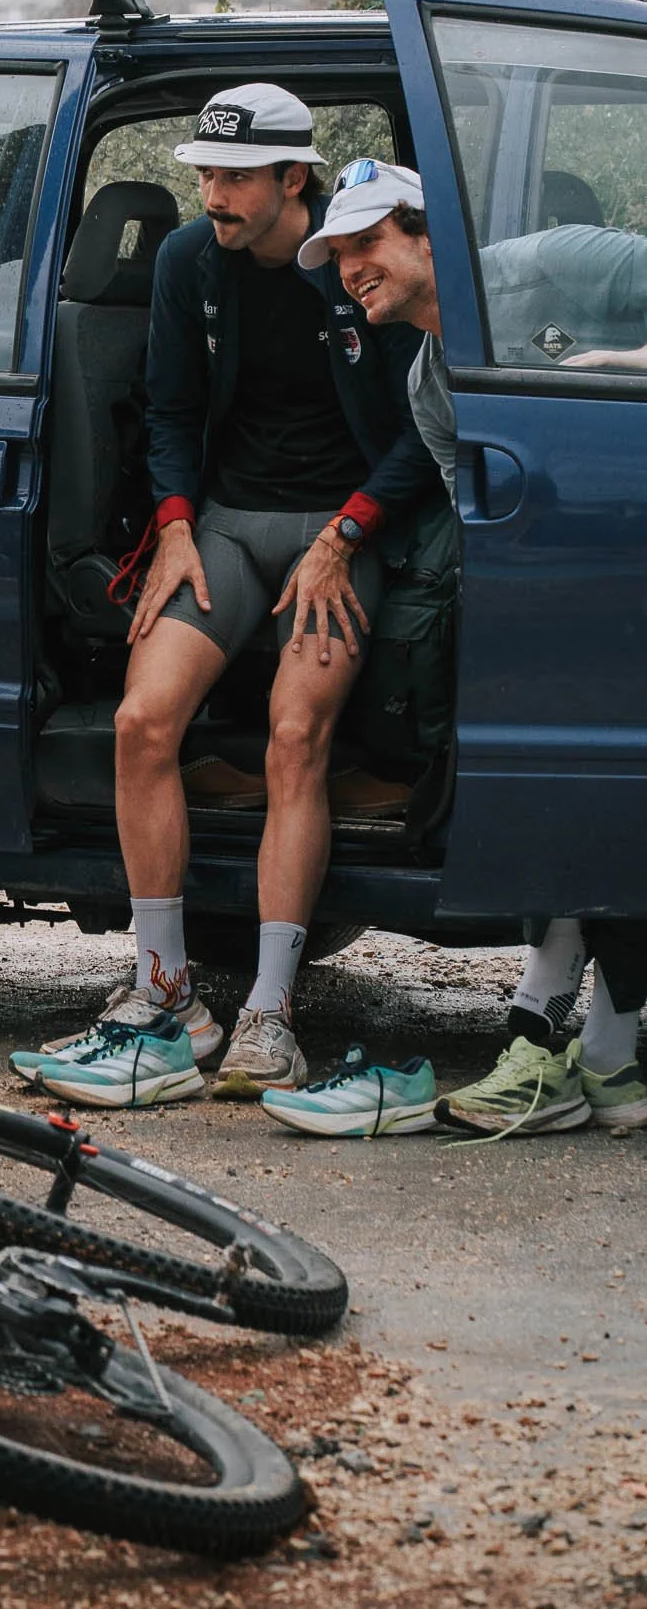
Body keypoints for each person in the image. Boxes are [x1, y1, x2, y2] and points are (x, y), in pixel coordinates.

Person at [12, 86, 438, 1108]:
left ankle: (266, 1012)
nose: (210, 193)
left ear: (293, 178)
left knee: (296, 736)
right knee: (138, 720)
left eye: (234, 176)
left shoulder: (353, 269)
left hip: (343, 532)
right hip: (228, 528)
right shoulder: (184, 262)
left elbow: (418, 441)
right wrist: (167, 525)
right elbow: (168, 408)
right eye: (202, 172)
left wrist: (343, 537)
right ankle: (163, 989)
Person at [257, 157, 647, 1138]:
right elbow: (483, 512)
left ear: (426, 233)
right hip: (579, 591)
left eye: (365, 244)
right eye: (336, 253)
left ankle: (578, 1048)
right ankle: (592, 1052)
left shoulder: (558, 264)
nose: (348, 269)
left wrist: (623, 370)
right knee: (560, 791)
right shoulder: (432, 377)